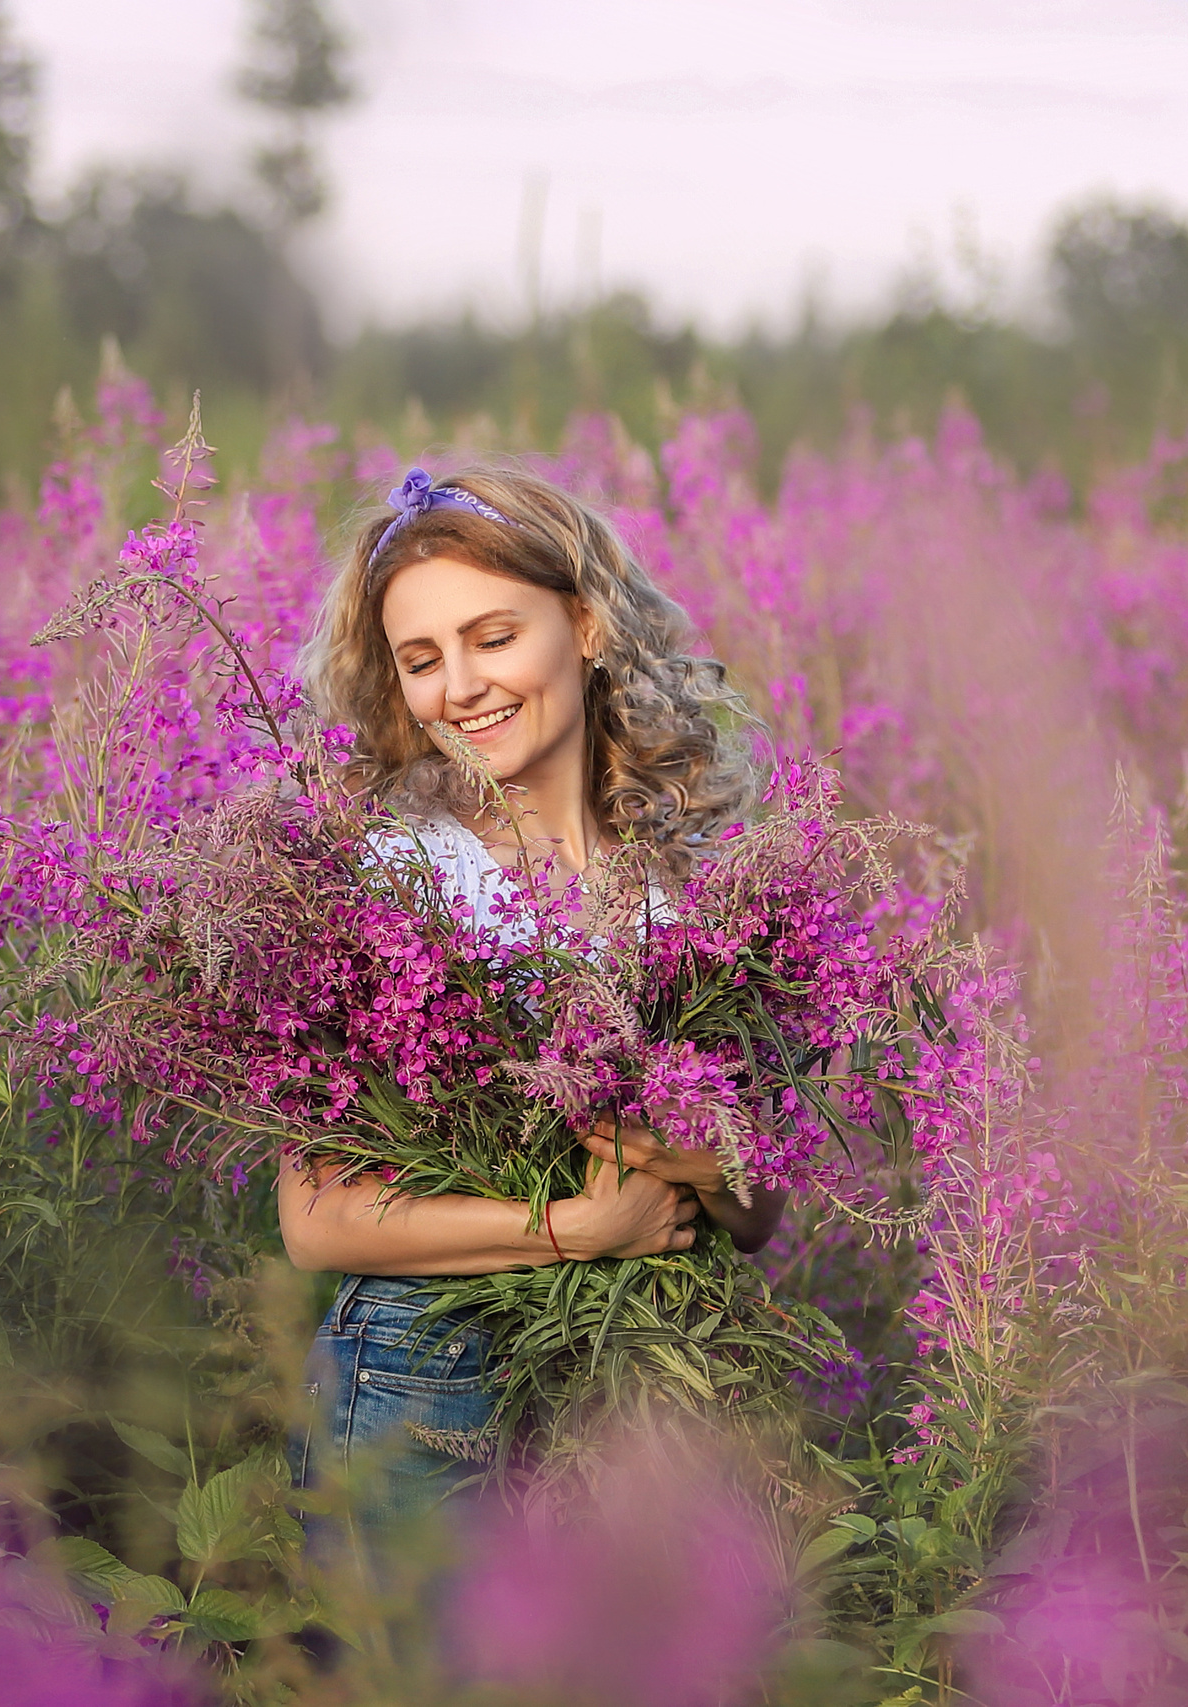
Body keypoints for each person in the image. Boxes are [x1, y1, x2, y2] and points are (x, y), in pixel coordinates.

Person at [281, 463, 785, 1530]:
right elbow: (317, 1221)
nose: (458, 685)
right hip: (422, 1377)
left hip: (641, 1385)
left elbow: (758, 1207)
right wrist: (573, 1226)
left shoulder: (687, 889)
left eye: (492, 637)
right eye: (421, 660)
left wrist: (689, 1152)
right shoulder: (387, 878)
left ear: (588, 626)